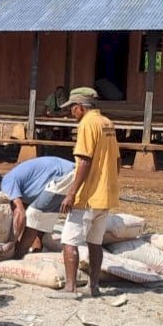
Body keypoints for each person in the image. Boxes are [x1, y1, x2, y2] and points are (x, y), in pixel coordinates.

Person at [56, 87, 120, 298]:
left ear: (80, 107)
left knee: (69, 240)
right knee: (95, 243)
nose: (70, 113)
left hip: (87, 197)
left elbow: (84, 160)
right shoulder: (107, 123)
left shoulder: (87, 124)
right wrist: (109, 182)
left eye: (72, 109)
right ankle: (93, 287)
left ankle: (70, 288)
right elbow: (117, 161)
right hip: (105, 195)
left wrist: (71, 193)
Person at [0, 156, 75, 258]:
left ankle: (17, 256)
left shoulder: (6, 183)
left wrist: (12, 243)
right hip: (66, 172)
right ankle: (36, 251)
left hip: (63, 175)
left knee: (34, 216)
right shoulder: (23, 187)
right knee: (40, 216)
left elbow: (21, 213)